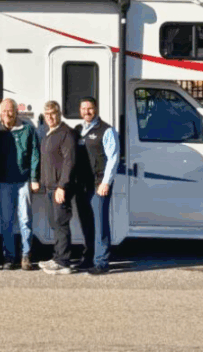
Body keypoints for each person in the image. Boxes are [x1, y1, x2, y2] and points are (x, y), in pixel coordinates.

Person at [35, 100, 93, 275]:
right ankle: (58, 256)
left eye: (53, 113)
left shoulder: (66, 133)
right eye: (47, 114)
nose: (50, 117)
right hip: (49, 187)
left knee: (61, 222)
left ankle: (64, 262)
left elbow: (70, 162)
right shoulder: (48, 134)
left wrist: (62, 186)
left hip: (61, 188)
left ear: (59, 114)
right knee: (55, 223)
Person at [0, 98, 40, 271]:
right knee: (6, 222)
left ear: (16, 111)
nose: (7, 113)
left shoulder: (27, 129)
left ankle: (26, 256)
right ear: (0, 113)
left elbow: (35, 155)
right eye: (4, 111)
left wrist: (34, 179)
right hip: (4, 182)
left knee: (25, 220)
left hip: (23, 182)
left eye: (10, 110)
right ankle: (9, 257)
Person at [78, 96, 120, 275]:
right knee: (86, 224)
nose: (87, 112)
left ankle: (101, 262)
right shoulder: (79, 130)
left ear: (96, 109)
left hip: (98, 184)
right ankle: (88, 258)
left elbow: (113, 157)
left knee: (100, 224)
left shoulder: (106, 130)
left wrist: (106, 183)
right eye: (83, 108)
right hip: (82, 185)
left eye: (90, 108)